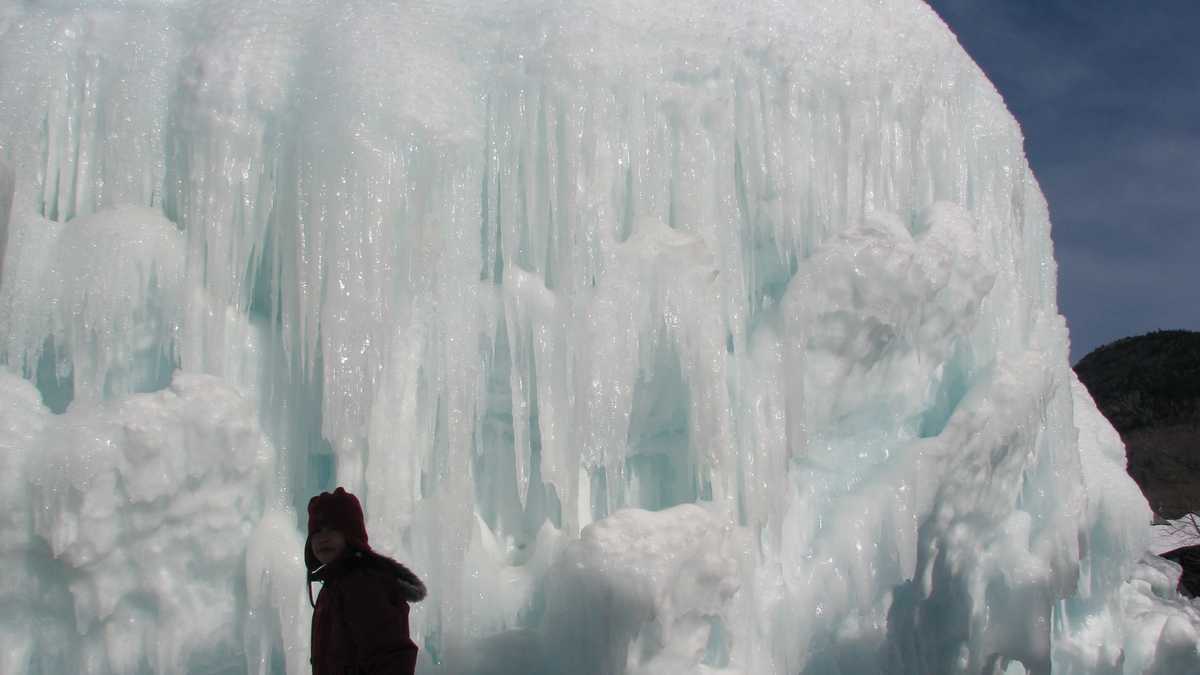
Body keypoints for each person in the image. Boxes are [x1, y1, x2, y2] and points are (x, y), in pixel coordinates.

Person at [306, 487, 427, 674]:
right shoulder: (333, 585)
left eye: (333, 529)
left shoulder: (363, 584)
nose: (323, 538)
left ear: (352, 535)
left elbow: (392, 655)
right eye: (317, 531)